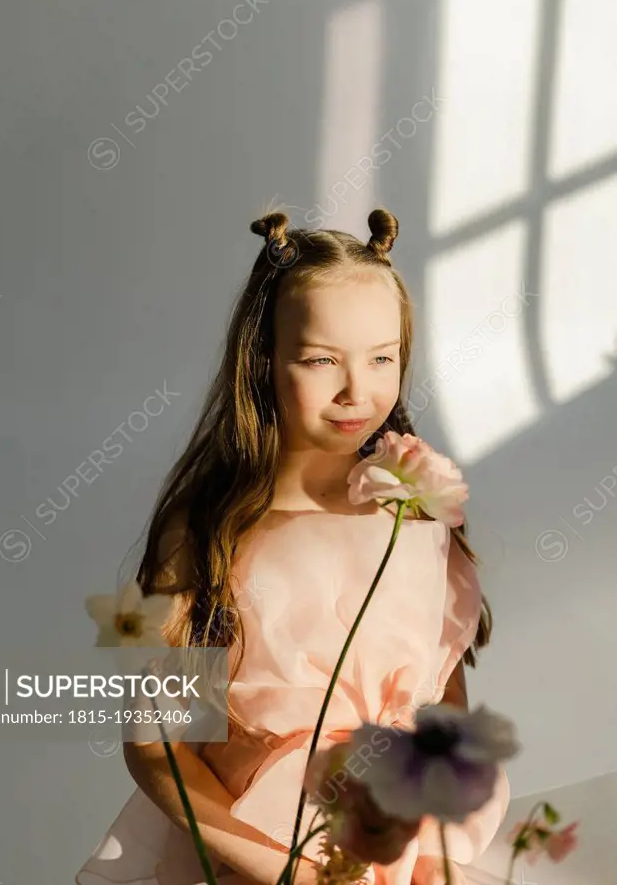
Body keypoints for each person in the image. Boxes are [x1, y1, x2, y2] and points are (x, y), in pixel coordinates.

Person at [76, 209, 510, 885]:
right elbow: (156, 744)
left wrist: (434, 856)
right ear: (265, 360)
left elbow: (439, 699)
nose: (355, 391)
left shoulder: (414, 507)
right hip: (253, 847)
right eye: (319, 360)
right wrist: (287, 872)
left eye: (382, 359)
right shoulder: (213, 528)